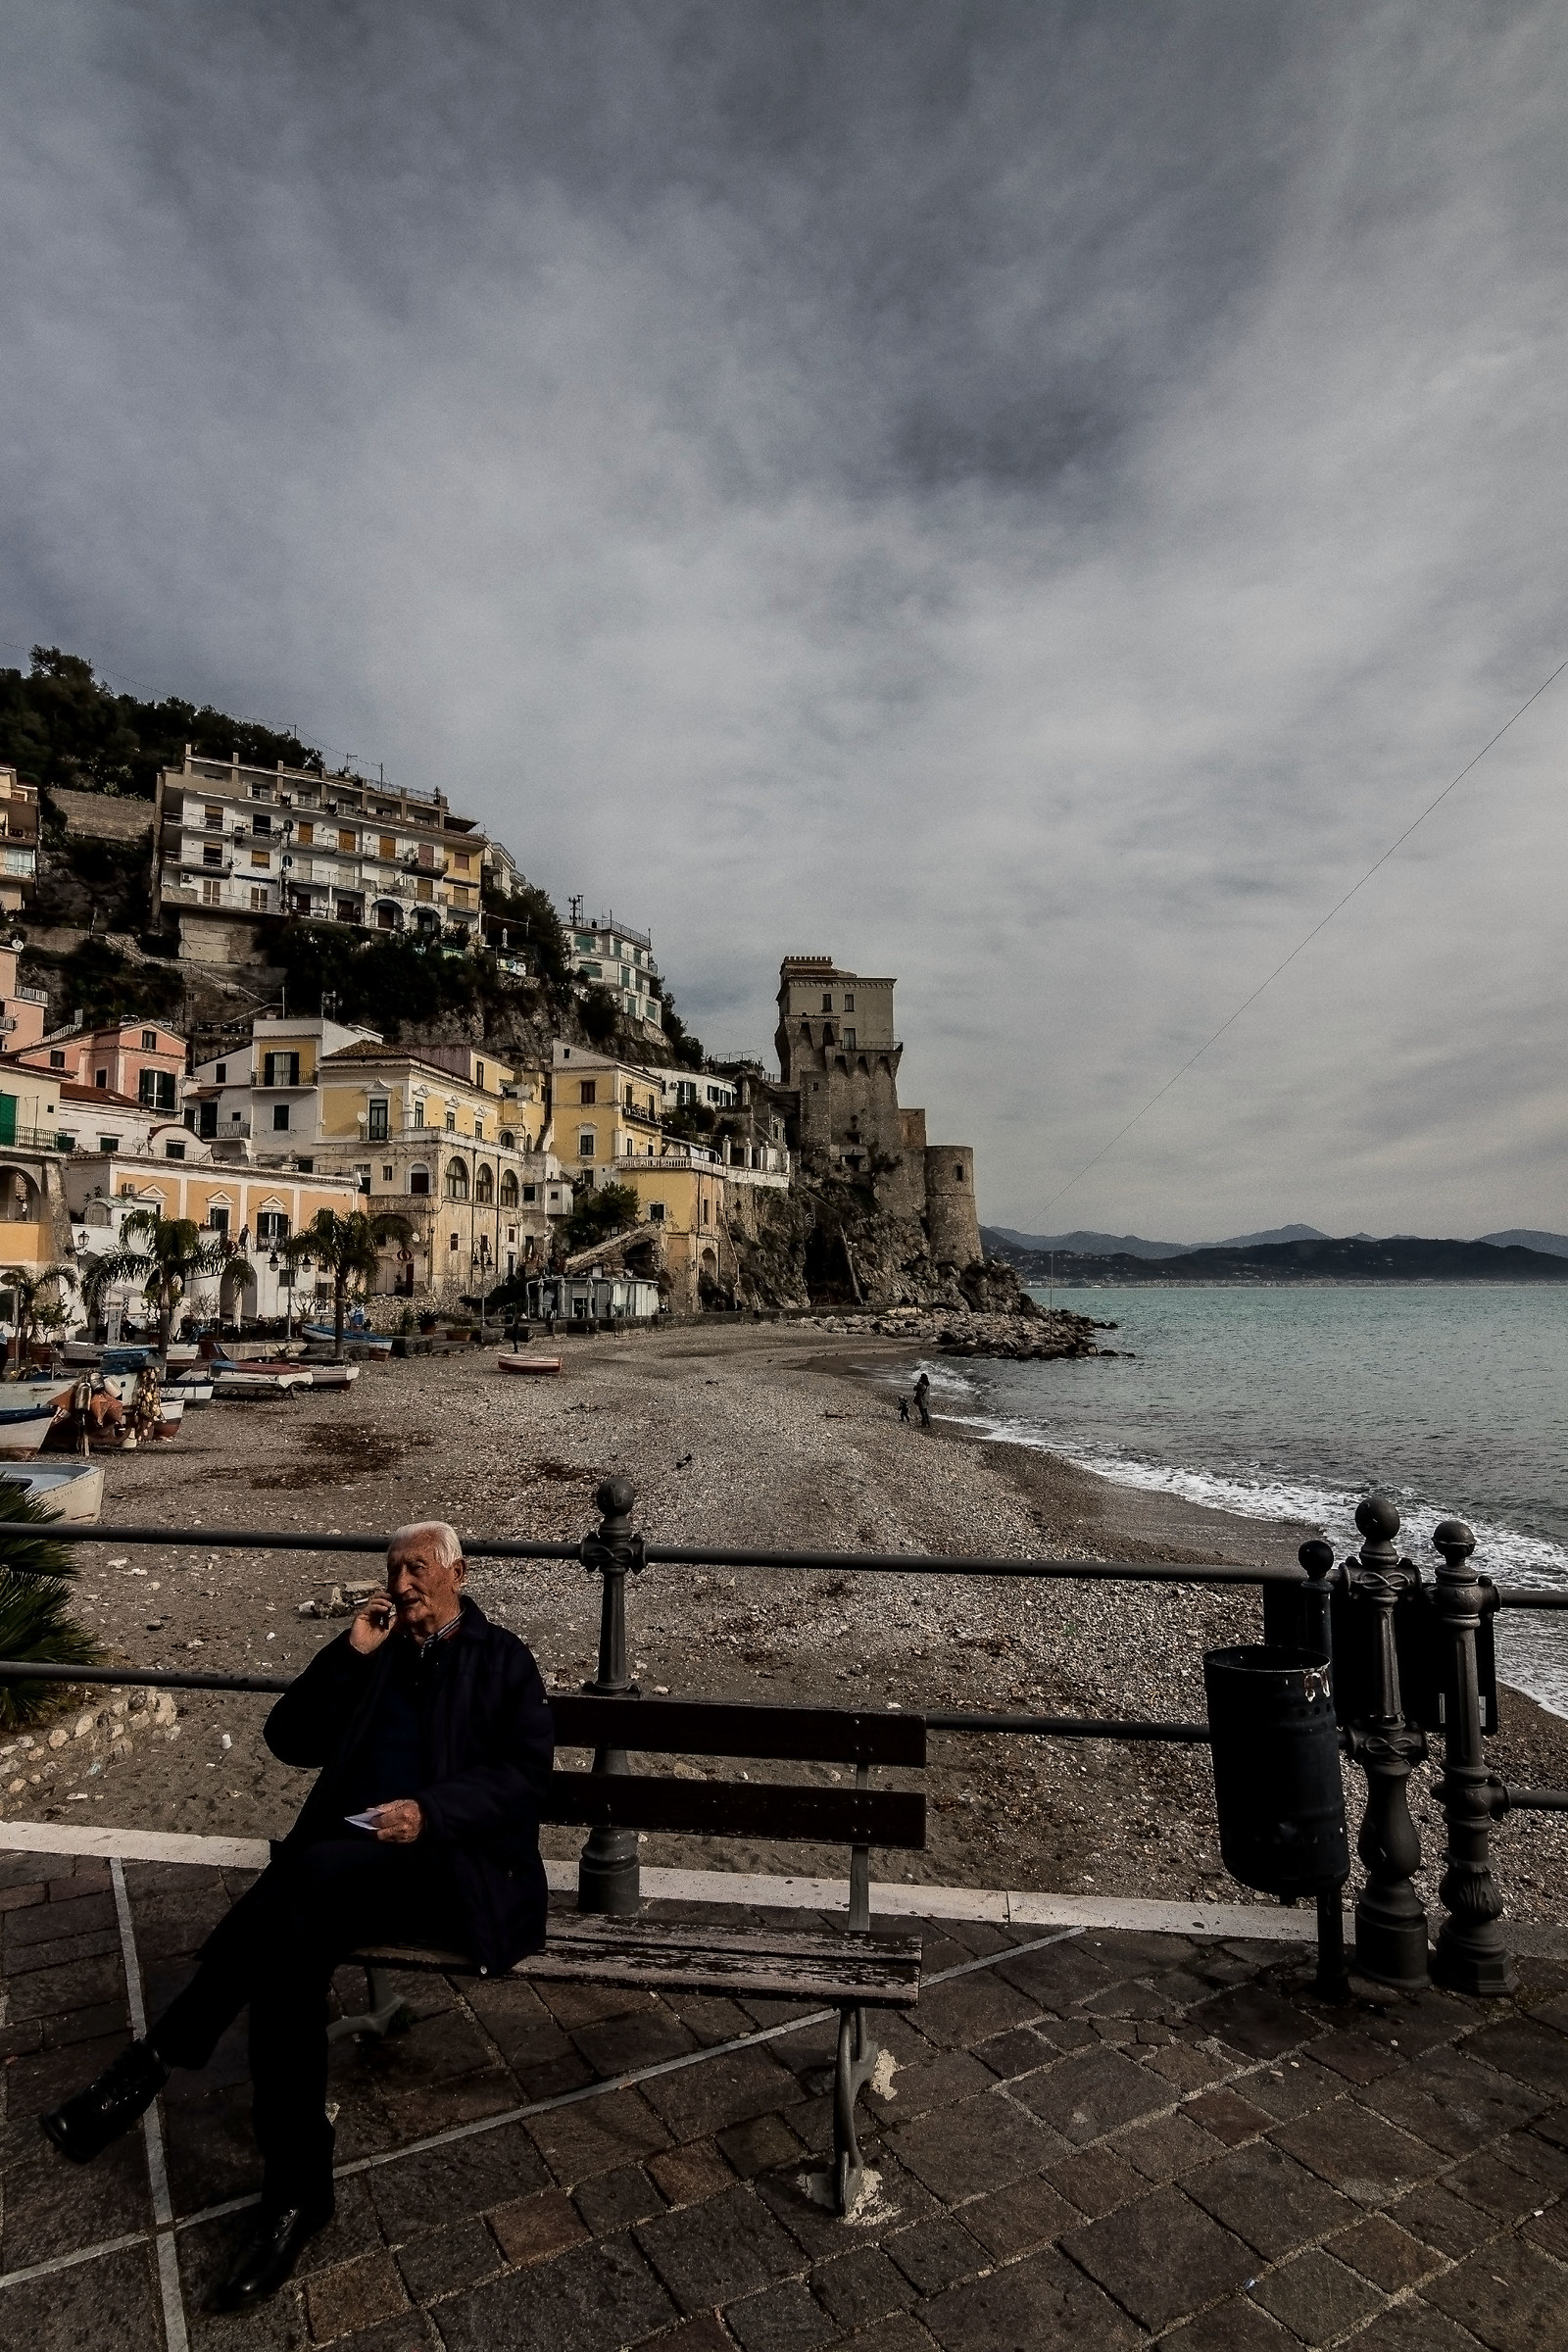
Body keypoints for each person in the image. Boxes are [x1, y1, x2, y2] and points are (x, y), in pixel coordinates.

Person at [41, 1521, 553, 2310]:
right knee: (287, 1963)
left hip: (450, 1870)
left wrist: (430, 1811)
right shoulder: (375, 1655)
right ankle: (294, 2194)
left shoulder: (504, 1659)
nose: (403, 1583)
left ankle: (155, 2065)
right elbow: (288, 1739)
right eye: (393, 1570)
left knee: (298, 1883)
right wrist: (348, 1652)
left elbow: (524, 1779)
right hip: (344, 1873)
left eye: (417, 1568)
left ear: (459, 1572)